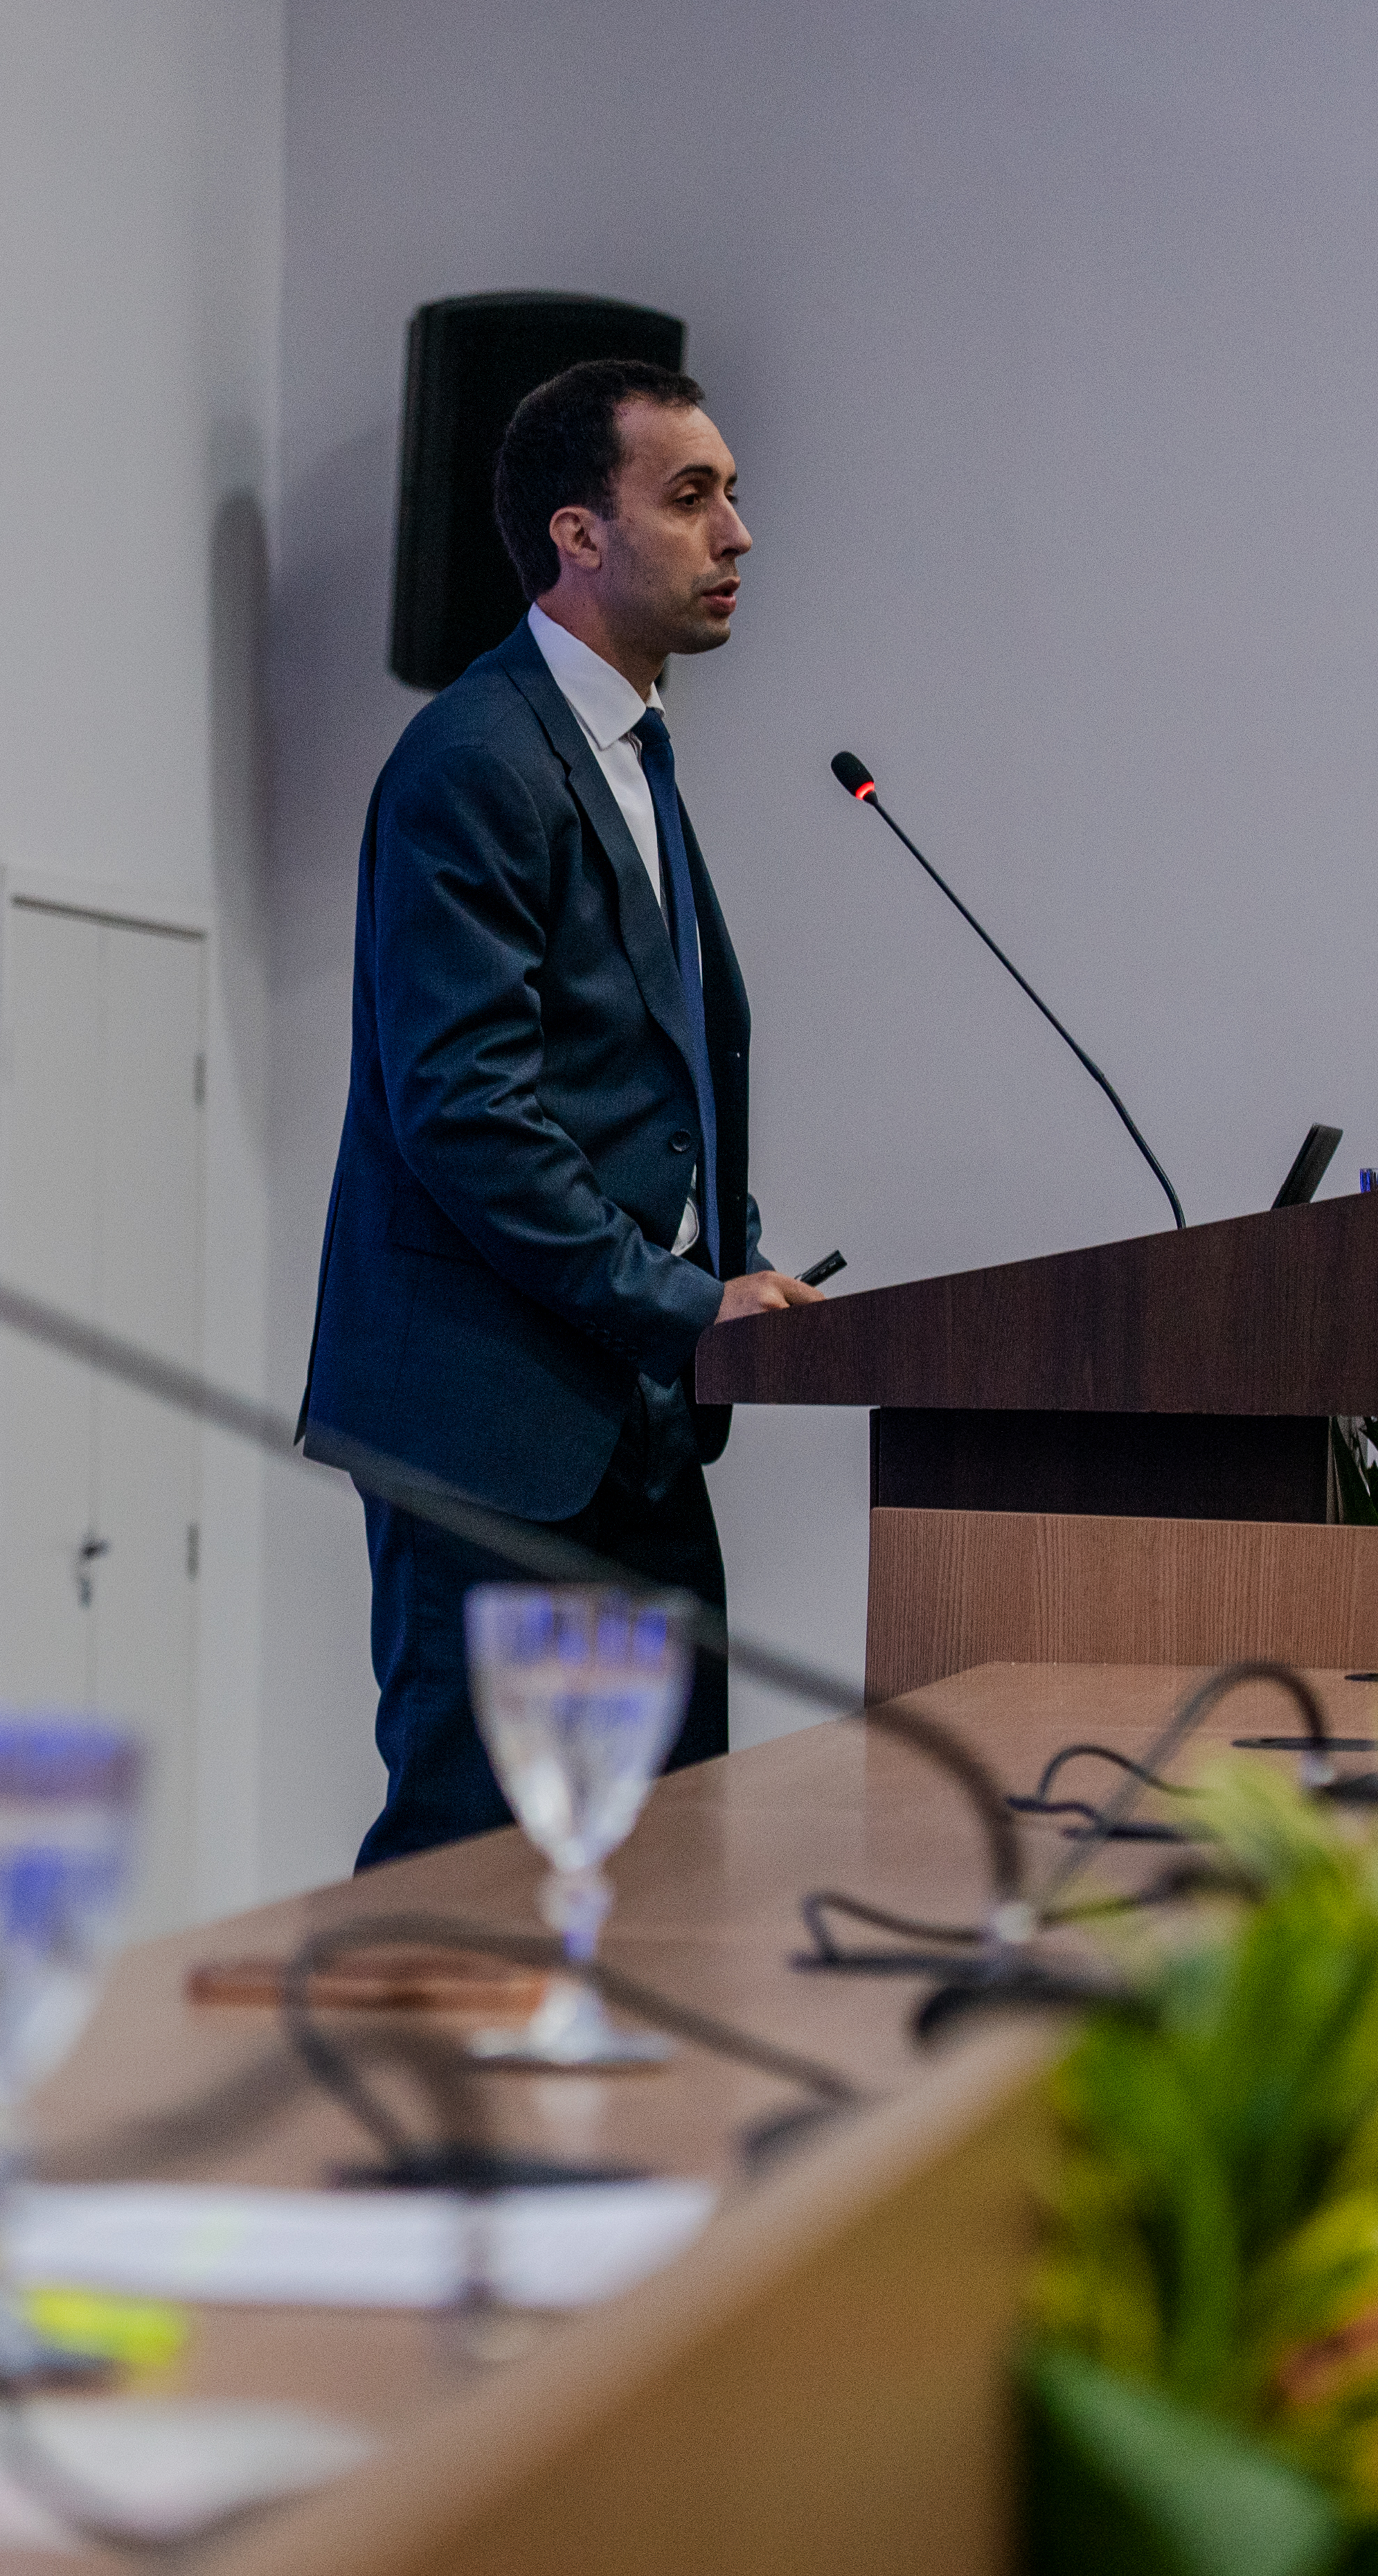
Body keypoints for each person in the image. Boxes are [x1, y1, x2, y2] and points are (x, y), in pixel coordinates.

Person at [301, 361, 822, 1868]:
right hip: (491, 1437)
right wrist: (682, 1299)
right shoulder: (474, 757)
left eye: (731, 492)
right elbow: (464, 1110)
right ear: (575, 535)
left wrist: (737, 1263)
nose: (735, 532)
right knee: (479, 1864)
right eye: (690, 494)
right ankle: (415, 2113)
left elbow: (637, 1083)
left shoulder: (629, 757)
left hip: (629, 1427)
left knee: (665, 1860)